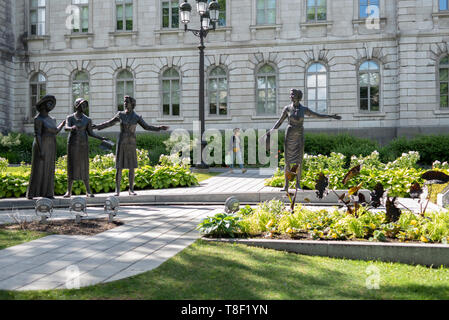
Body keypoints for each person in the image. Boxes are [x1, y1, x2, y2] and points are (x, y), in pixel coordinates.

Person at [266, 89, 341, 191]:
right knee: (288, 161)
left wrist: (330, 116)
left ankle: (298, 184)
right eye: (290, 95)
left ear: (297, 97)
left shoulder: (304, 109)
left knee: (298, 161)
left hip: (299, 136)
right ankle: (286, 185)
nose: (290, 96)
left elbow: (317, 115)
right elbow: (280, 121)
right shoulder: (287, 108)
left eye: (292, 95)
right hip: (290, 135)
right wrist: (272, 130)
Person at [92, 96, 169, 196]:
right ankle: (117, 190)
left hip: (131, 143)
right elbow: (109, 123)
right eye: (124, 101)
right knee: (119, 167)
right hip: (122, 142)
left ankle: (131, 189)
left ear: (132, 104)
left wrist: (159, 128)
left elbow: (147, 127)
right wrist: (97, 126)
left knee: (131, 167)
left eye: (126, 102)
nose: (124, 103)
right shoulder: (120, 115)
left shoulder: (137, 117)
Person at [64, 98, 107, 198]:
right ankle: (68, 191)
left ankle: (88, 190)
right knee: (71, 166)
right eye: (82, 105)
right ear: (76, 105)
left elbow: (91, 132)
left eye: (85, 105)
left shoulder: (87, 119)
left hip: (83, 145)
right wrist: (71, 128)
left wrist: (101, 138)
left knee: (84, 166)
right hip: (72, 145)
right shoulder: (70, 117)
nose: (84, 107)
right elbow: (66, 128)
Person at [26, 95, 66, 199]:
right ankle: (32, 193)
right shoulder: (38, 119)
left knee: (49, 168)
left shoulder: (53, 119)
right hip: (41, 144)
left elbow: (55, 131)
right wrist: (41, 150)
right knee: (38, 169)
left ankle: (48, 193)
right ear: (43, 105)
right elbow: (37, 134)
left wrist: (62, 124)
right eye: (49, 103)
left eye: (53, 104)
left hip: (51, 144)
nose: (51, 106)